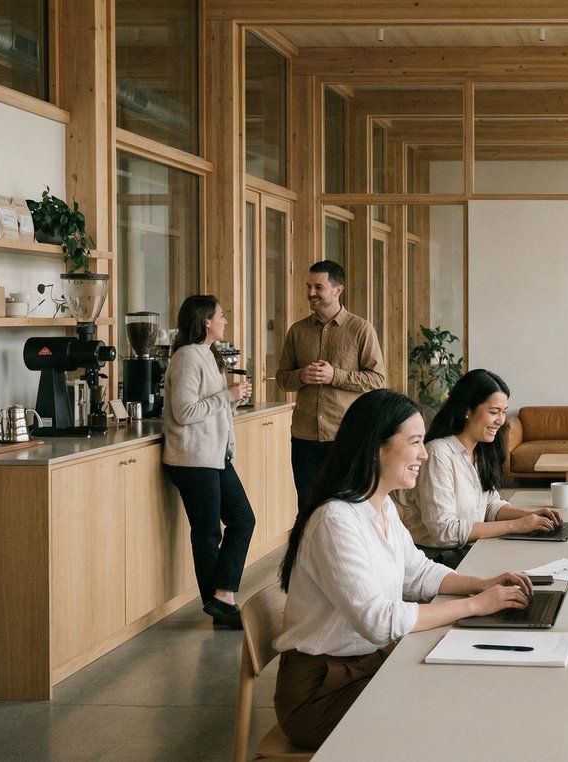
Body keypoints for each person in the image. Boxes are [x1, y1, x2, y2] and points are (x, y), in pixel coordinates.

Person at [273, 389, 534, 749]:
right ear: (376, 447)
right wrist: (475, 604)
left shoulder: (380, 506)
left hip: (366, 664)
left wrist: (482, 584)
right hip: (322, 692)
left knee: (467, 693)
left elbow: (418, 573)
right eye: (414, 442)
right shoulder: (335, 519)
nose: (424, 454)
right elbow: (379, 622)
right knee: (448, 719)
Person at [397, 369, 561, 567]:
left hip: (470, 549)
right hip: (439, 559)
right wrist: (515, 526)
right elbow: (443, 532)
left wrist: (530, 515)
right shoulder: (437, 454)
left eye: (503, 411)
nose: (500, 420)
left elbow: (490, 505)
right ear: (467, 409)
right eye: (493, 412)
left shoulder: (481, 451)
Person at [161, 295, 255, 629]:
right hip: (191, 458)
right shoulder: (187, 358)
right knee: (207, 533)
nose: (225, 320)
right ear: (205, 321)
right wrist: (227, 396)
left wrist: (232, 400)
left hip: (214, 456)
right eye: (221, 315)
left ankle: (221, 597)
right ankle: (221, 603)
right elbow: (185, 412)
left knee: (243, 520)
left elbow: (210, 411)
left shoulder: (210, 356)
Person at [276, 260, 387, 512]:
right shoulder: (297, 331)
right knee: (307, 507)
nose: (311, 293)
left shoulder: (361, 330)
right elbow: (282, 378)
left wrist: (334, 376)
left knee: (346, 507)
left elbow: (377, 379)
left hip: (345, 436)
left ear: (338, 290)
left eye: (318, 287)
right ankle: (307, 553)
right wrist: (302, 376)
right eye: (308, 286)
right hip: (304, 438)